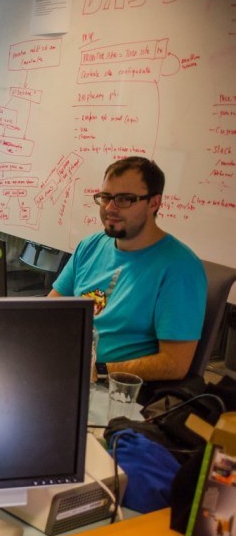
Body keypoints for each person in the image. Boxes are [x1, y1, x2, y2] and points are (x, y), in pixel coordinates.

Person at [49, 156, 206, 382]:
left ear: (154, 203)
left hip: (117, 388)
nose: (110, 208)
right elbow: (50, 311)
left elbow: (174, 364)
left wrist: (97, 371)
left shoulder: (180, 268)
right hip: (66, 368)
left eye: (124, 199)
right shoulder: (90, 246)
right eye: (105, 197)